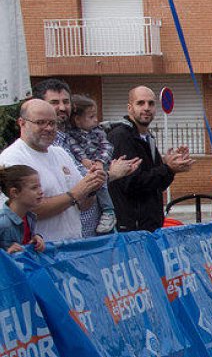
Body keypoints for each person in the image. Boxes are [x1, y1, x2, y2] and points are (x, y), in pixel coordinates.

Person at [0, 100, 104, 242]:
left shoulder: (60, 153)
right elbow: (24, 210)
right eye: (41, 122)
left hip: (73, 247)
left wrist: (92, 187)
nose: (48, 128)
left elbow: (82, 205)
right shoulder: (12, 157)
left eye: (52, 123)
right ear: (22, 123)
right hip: (40, 253)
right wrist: (74, 194)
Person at [108, 87, 195, 232]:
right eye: (140, 103)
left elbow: (157, 186)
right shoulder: (121, 137)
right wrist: (167, 168)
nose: (146, 108)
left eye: (151, 103)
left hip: (151, 226)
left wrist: (172, 168)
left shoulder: (149, 138)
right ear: (130, 108)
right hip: (132, 229)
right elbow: (132, 184)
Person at [60, 94, 141, 236]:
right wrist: (84, 159)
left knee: (100, 181)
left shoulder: (98, 131)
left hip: (99, 165)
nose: (96, 120)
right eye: (91, 117)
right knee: (99, 181)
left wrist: (100, 161)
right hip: (87, 172)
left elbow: (107, 146)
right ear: (78, 120)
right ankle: (108, 211)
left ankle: (108, 211)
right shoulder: (69, 136)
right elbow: (74, 149)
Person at [0, 165, 46, 254]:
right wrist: (5, 254)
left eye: (40, 186)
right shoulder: (3, 222)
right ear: (15, 192)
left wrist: (36, 238)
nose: (41, 191)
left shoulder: (29, 217)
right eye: (34, 188)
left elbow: (24, 240)